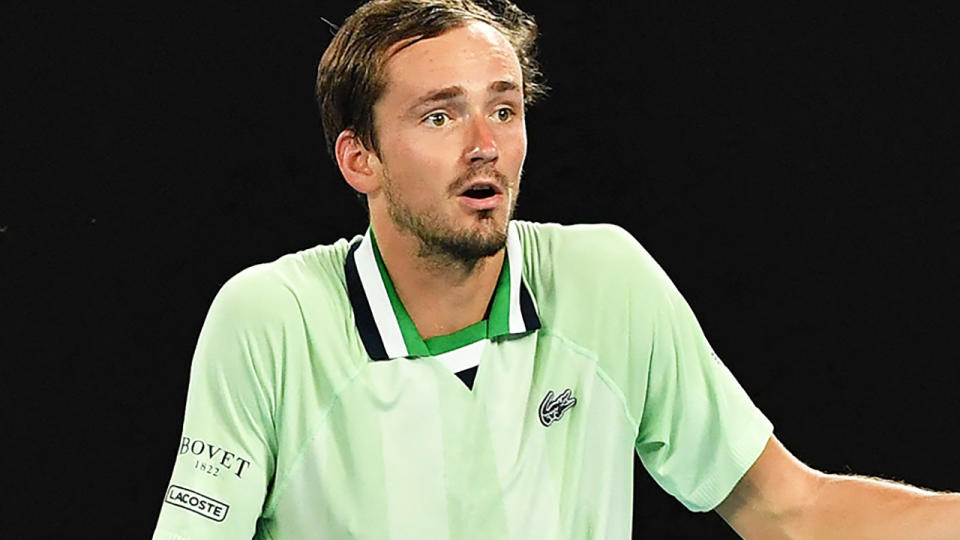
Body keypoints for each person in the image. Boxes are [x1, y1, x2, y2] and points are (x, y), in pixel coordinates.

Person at [152, 0, 960, 538]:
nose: (485, 144)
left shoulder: (606, 280)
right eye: (440, 114)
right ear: (358, 158)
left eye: (503, 108)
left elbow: (792, 510)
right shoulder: (269, 318)